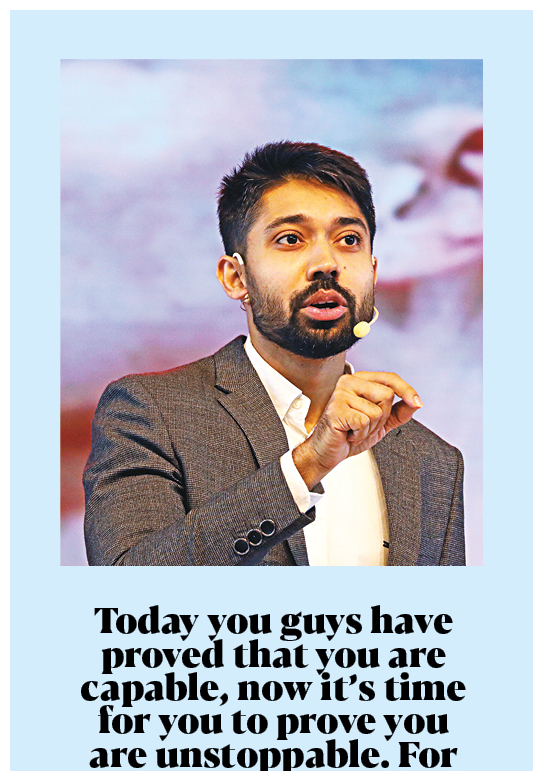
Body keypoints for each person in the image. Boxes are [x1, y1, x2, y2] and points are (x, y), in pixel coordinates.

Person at [83, 141, 465, 566]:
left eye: (349, 240)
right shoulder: (151, 413)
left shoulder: (432, 461)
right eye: (290, 239)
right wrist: (306, 466)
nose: (327, 263)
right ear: (236, 277)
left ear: (372, 272)